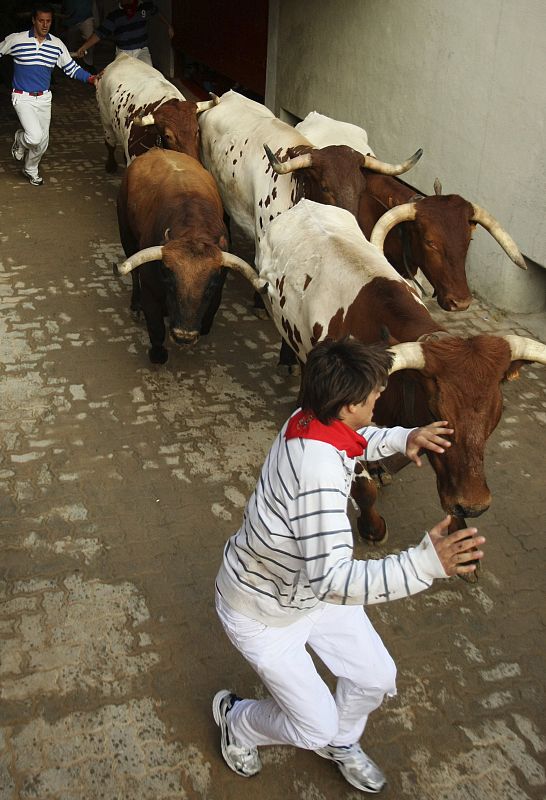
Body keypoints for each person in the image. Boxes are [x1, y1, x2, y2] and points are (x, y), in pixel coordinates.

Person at [213, 337, 485, 793]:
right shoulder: (316, 474)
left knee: (376, 677)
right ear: (346, 404)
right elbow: (335, 579)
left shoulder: (310, 418)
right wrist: (425, 564)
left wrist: (405, 437)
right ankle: (237, 721)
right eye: (376, 392)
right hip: (264, 614)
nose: (382, 396)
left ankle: (342, 742)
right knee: (311, 727)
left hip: (306, 592)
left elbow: (354, 442)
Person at [0, 3, 98, 186]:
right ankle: (20, 139)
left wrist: (91, 79)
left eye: (48, 21)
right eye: (41, 21)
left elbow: (71, 68)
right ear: (33, 21)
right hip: (22, 97)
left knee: (42, 142)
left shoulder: (57, 44)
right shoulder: (17, 39)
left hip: (44, 98)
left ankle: (30, 169)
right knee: (34, 137)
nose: (45, 25)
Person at [74, 0, 174, 67]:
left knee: (149, 75)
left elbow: (156, 12)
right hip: (123, 52)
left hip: (142, 50)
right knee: (123, 79)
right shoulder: (115, 15)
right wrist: (84, 47)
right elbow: (100, 33)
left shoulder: (145, 7)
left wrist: (168, 26)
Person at [61, 0, 96, 70]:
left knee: (90, 40)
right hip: (71, 20)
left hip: (86, 18)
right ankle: (69, 64)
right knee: (70, 43)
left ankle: (89, 63)